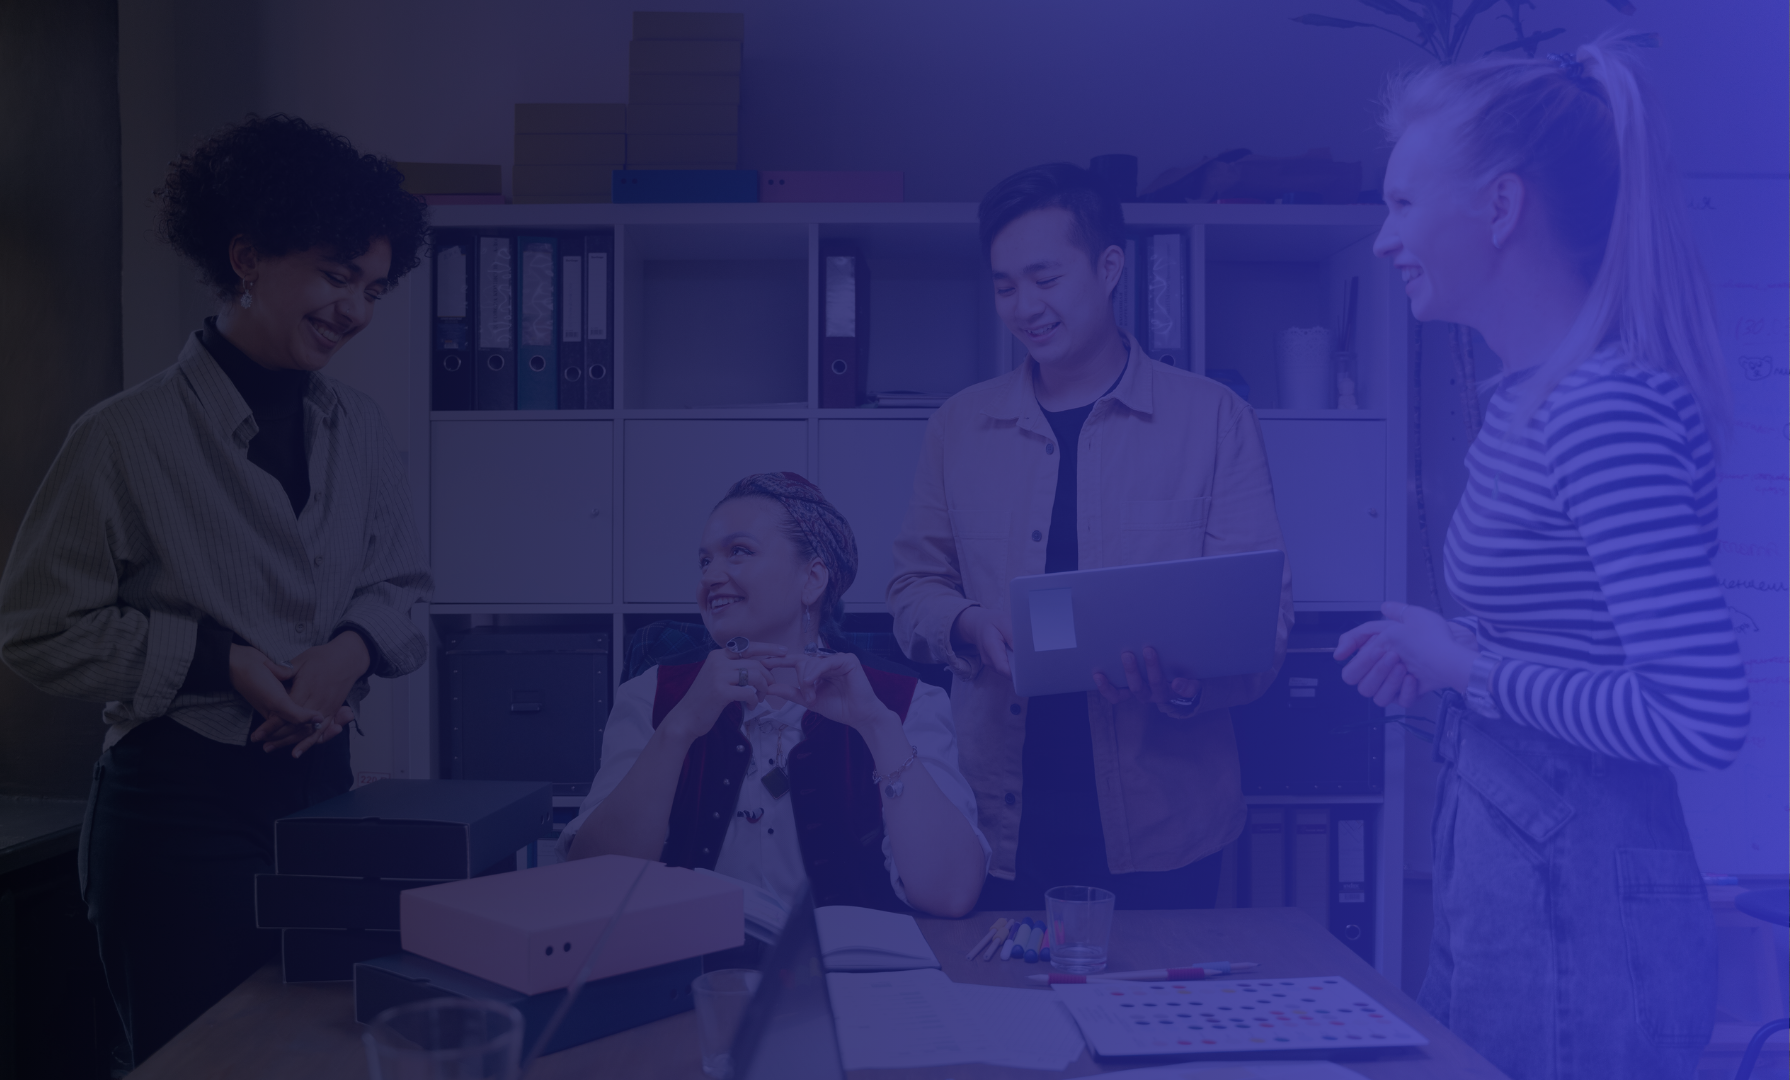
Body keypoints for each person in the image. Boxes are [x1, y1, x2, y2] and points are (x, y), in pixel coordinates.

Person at [1334, 36, 1750, 1080]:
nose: (1385, 240)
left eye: (1400, 204)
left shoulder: (1601, 410)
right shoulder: (1528, 399)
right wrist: (1449, 652)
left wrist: (1465, 667)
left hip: (1579, 905)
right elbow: (1586, 639)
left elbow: (1700, 713)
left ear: (1501, 208)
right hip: (1518, 868)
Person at [0, 116, 433, 1064]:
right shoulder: (123, 437)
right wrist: (217, 661)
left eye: (373, 287)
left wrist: (348, 652)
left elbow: (403, 590)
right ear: (248, 256)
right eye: (333, 273)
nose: (354, 307)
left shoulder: (363, 428)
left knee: (323, 1055)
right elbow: (34, 627)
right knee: (199, 1063)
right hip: (176, 813)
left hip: (325, 799)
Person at [887, 164, 1292, 912]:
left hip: (1165, 828)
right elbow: (912, 591)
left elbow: (1260, 623)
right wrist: (969, 624)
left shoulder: (1213, 418)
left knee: (1155, 1023)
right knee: (1000, 1024)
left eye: (1044, 278)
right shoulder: (959, 426)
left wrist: (1180, 683)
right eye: (1005, 285)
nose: (1024, 306)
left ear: (1109, 268)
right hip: (993, 819)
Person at [562, 472, 988, 918]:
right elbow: (592, 885)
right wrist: (680, 727)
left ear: (812, 579)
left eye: (739, 552)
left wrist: (878, 728)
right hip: (691, 981)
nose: (711, 577)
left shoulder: (907, 702)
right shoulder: (650, 695)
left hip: (849, 982)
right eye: (704, 562)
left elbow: (951, 894)